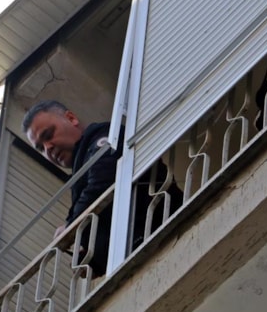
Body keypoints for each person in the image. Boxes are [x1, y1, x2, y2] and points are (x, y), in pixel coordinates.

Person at [23, 100, 181, 276]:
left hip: (169, 233)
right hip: (143, 254)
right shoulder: (81, 174)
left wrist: (71, 225)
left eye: (48, 135)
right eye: (40, 148)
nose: (48, 148)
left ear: (71, 118)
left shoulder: (106, 137)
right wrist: (94, 260)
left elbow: (104, 180)